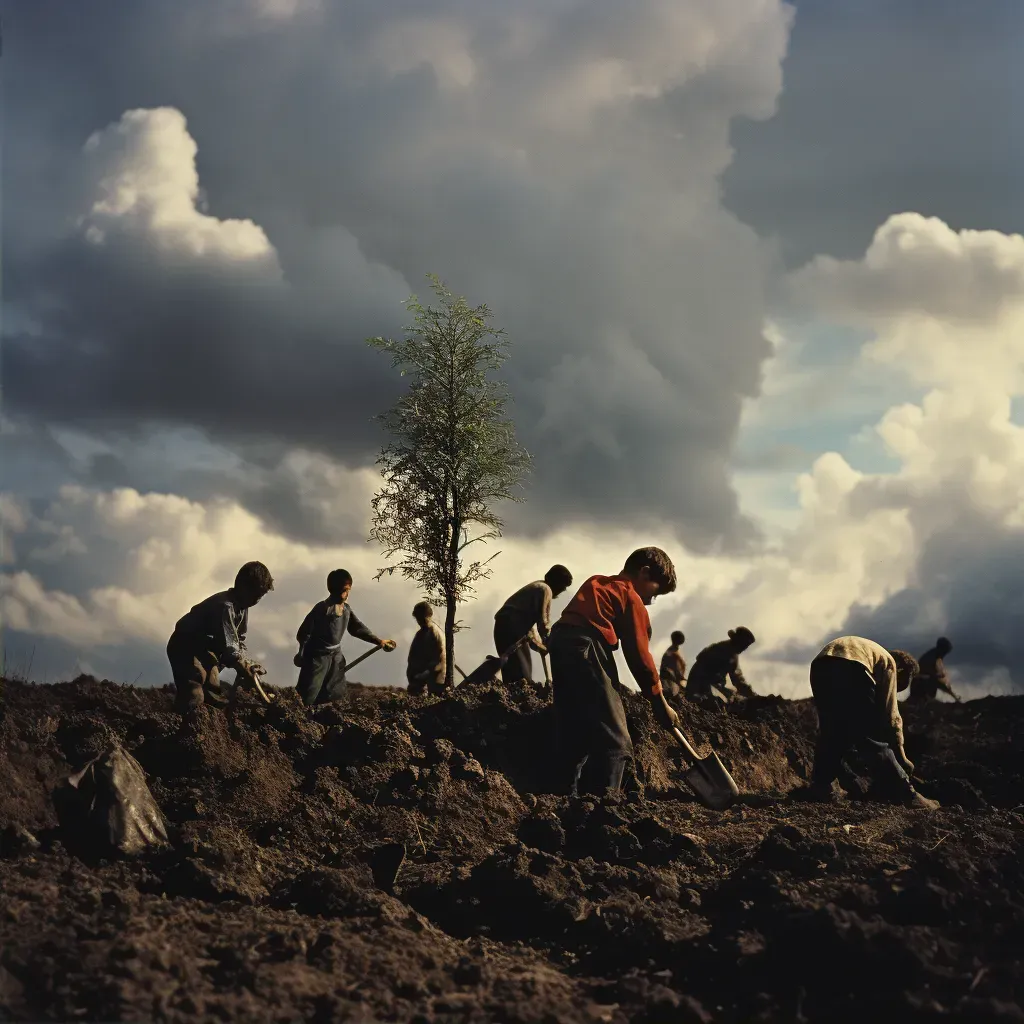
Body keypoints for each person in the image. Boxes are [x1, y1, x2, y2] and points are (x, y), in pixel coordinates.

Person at [548, 546, 680, 798]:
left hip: (561, 643)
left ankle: (563, 798)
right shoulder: (629, 595)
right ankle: (605, 806)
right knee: (615, 738)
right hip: (587, 647)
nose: (652, 601)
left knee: (573, 727)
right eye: (656, 592)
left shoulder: (597, 582)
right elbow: (640, 657)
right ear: (644, 573)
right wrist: (659, 702)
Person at [803, 635, 939, 809]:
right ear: (902, 671)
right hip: (853, 668)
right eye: (901, 684)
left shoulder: (872, 653)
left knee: (832, 733)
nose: (898, 689)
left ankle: (821, 786)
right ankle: (907, 793)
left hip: (820, 667)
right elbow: (892, 717)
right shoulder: (889, 663)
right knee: (869, 735)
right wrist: (902, 759)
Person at [166, 561, 274, 714]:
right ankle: (179, 722)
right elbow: (230, 648)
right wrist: (242, 666)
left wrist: (246, 664)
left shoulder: (242, 608)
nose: (256, 601)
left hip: (205, 650)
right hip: (185, 646)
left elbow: (239, 639)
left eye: (260, 597)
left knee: (212, 691)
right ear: (243, 587)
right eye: (256, 595)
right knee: (195, 689)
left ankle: (207, 723)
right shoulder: (225, 606)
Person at [294, 569, 396, 706]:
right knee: (308, 692)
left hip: (335, 657)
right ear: (332, 589)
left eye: (347, 590)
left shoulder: (346, 610)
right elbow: (303, 632)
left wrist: (379, 641)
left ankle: (324, 717)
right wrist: (301, 653)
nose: (345, 594)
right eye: (342, 590)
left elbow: (357, 628)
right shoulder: (322, 609)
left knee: (334, 691)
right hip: (317, 657)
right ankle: (298, 716)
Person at [493, 564, 574, 685]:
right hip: (511, 629)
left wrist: (539, 645)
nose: (563, 591)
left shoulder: (536, 588)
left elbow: (530, 628)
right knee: (520, 673)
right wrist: (550, 643)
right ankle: (518, 697)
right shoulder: (545, 589)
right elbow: (544, 622)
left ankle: (515, 696)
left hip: (504, 627)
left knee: (516, 669)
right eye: (563, 587)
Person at [685, 628, 756, 702]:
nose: (744, 649)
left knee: (732, 695)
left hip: (707, 684)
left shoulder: (730, 652)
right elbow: (736, 679)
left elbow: (737, 678)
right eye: (744, 645)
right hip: (700, 684)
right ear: (738, 642)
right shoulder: (723, 650)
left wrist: (749, 692)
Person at [406, 600, 447, 697]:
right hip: (419, 677)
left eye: (422, 617)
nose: (420, 621)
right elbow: (413, 657)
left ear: (430, 615)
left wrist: (427, 672)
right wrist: (413, 674)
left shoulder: (435, 633)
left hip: (435, 676)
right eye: (418, 618)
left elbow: (440, 658)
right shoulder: (420, 635)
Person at [909, 636, 961, 703]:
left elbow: (940, 678)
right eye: (945, 652)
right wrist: (954, 696)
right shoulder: (931, 658)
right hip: (919, 688)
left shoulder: (935, 656)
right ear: (942, 649)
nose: (944, 655)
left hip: (922, 686)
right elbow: (936, 679)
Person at [660, 630, 687, 698]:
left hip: (672, 679)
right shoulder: (672, 652)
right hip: (668, 679)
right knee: (671, 692)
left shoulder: (674, 651)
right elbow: (670, 668)